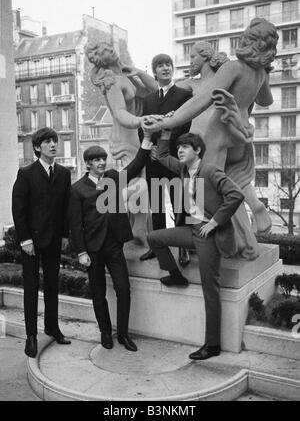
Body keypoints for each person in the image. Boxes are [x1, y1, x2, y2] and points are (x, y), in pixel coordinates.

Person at [143, 18, 279, 260]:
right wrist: (266, 72)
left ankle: (232, 245)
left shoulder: (234, 68)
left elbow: (201, 101)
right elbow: (266, 101)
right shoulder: (259, 74)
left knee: (212, 194)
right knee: (231, 185)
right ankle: (248, 233)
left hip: (214, 134)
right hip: (238, 136)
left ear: (248, 41)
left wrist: (166, 122)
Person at [147, 132, 244, 360]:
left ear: (198, 150)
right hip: (191, 229)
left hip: (208, 234)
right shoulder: (182, 169)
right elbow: (161, 154)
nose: (180, 150)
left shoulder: (210, 171)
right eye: (179, 147)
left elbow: (236, 195)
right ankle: (176, 275)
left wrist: (214, 222)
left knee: (210, 289)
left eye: (185, 147)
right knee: (154, 238)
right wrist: (166, 133)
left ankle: (212, 345)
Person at [68, 136, 152, 352]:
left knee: (123, 289)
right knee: (98, 294)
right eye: (96, 160)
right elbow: (75, 225)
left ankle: (123, 334)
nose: (102, 163)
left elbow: (134, 168)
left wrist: (147, 142)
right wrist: (81, 252)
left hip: (114, 245)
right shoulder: (77, 189)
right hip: (92, 249)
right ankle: (105, 332)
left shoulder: (113, 177)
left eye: (103, 159)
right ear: (88, 164)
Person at [86, 41, 158, 247]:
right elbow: (119, 113)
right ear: (102, 60)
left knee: (144, 182)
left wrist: (138, 73)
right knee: (140, 183)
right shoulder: (112, 82)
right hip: (127, 137)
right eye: (107, 51)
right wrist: (141, 120)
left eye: (111, 48)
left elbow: (155, 91)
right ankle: (130, 224)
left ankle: (138, 226)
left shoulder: (125, 76)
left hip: (138, 134)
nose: (112, 51)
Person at [12, 128, 71, 358]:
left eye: (54, 141)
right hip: (32, 243)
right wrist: (25, 239)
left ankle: (52, 327)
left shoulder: (64, 174)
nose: (53, 145)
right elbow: (19, 209)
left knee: (52, 287)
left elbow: (66, 208)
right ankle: (31, 336)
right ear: (37, 148)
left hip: (54, 240)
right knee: (31, 289)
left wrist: (65, 235)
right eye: (47, 142)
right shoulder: (26, 173)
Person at [139, 54, 192, 266]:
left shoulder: (184, 95)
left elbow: (183, 125)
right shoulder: (148, 99)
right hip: (152, 159)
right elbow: (142, 127)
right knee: (157, 205)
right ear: (155, 72)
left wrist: (164, 148)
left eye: (168, 65)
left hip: (173, 157)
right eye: (160, 65)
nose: (165, 68)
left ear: (173, 69)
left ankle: (183, 248)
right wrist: (149, 147)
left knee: (180, 203)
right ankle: (156, 247)